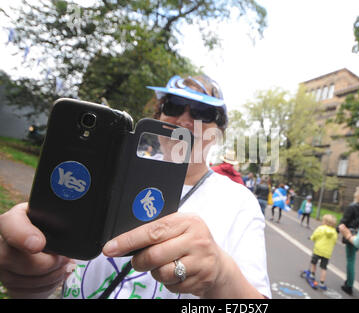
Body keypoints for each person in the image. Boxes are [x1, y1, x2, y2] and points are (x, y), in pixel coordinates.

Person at [0, 74, 271, 299]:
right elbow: (53, 272)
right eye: (174, 106)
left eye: (203, 112)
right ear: (159, 115)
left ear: (218, 130)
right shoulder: (112, 169)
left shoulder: (239, 202)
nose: (186, 121)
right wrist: (33, 276)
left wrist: (221, 274)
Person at [338, 185, 359, 296]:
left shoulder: (352, 207)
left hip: (351, 236)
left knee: (351, 260)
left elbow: (344, 221)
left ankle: (349, 285)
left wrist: (336, 229)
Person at [303, 214, 338, 290]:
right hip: (327, 253)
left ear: (325, 222)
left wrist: (311, 238)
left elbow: (315, 236)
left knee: (314, 262)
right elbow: (334, 242)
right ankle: (322, 282)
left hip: (318, 250)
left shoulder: (321, 228)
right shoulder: (334, 232)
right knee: (324, 267)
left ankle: (312, 275)